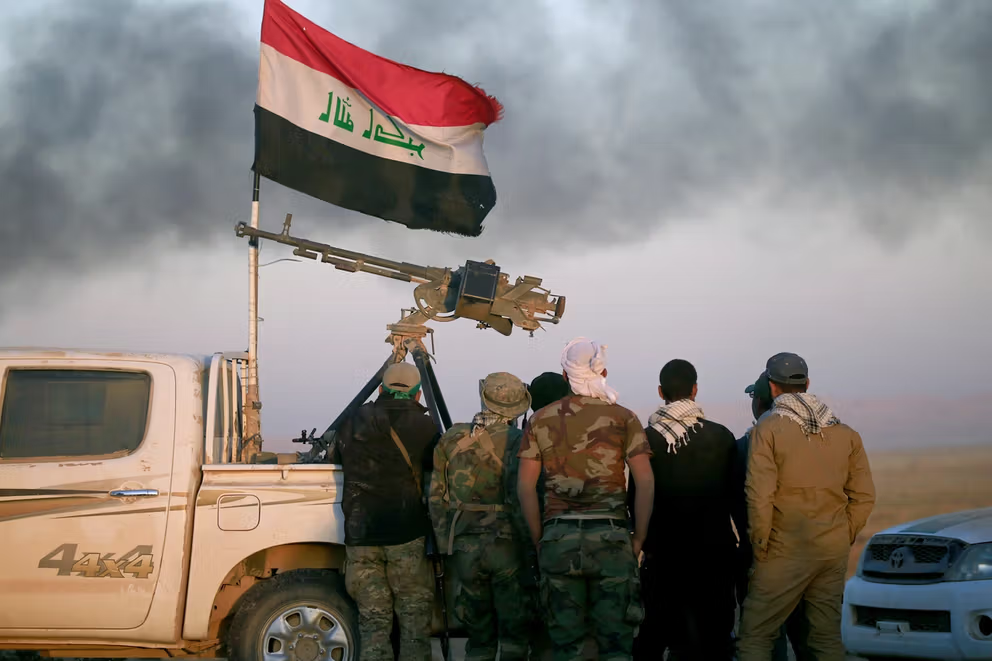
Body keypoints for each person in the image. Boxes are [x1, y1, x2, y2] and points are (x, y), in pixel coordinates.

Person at [517, 337, 655, 661]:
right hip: (611, 537)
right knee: (617, 646)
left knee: (566, 646)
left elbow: (525, 487)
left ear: (565, 376)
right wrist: (639, 538)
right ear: (603, 371)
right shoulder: (624, 418)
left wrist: (540, 539)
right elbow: (645, 481)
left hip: (557, 538)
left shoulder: (540, 419)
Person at [737, 353, 876, 661]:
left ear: (772, 388)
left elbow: (759, 496)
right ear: (807, 383)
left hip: (783, 550)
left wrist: (760, 547)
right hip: (830, 550)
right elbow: (864, 496)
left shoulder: (768, 430)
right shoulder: (846, 434)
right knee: (825, 639)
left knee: (755, 636)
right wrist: (842, 535)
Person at [629, 359, 737, 660]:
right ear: (695, 390)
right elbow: (736, 499)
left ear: (661, 391)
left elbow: (634, 500)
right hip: (714, 557)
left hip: (663, 559)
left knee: (653, 639)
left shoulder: (645, 441)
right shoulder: (722, 437)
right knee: (714, 642)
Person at [332, 362, 439, 661]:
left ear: (381, 389)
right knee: (414, 621)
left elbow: (335, 454)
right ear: (418, 395)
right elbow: (436, 467)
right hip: (405, 533)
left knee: (373, 621)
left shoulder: (352, 422)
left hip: (360, 534)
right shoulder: (425, 427)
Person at [429, 372, 533, 661]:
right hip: (508, 546)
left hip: (464, 547)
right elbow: (525, 497)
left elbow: (436, 495)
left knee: (478, 636)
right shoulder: (521, 441)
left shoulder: (452, 438)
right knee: (514, 633)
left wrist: (442, 545)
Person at [731, 372, 807, 661]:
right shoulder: (814, 440)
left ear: (761, 401)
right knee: (809, 638)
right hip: (807, 552)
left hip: (760, 555)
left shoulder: (744, 447)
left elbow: (737, 503)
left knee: (763, 640)